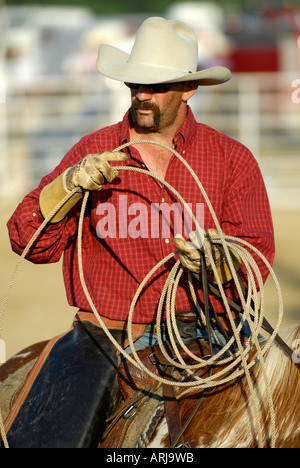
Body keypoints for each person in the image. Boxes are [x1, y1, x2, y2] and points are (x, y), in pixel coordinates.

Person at [4, 17, 274, 448]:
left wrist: (219, 262)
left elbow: (257, 255)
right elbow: (28, 241)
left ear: (189, 90)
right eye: (135, 84)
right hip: (107, 334)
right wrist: (66, 186)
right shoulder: (93, 151)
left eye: (157, 86)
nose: (142, 95)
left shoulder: (230, 160)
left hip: (207, 328)